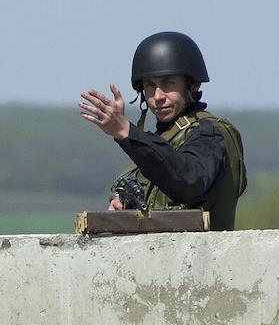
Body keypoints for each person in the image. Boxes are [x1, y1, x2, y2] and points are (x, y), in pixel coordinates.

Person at [79, 31, 247, 231]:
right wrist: (125, 206)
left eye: (169, 84)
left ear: (193, 84)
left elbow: (190, 181)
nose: (158, 96)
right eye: (150, 86)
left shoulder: (210, 134)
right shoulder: (165, 140)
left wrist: (126, 131)